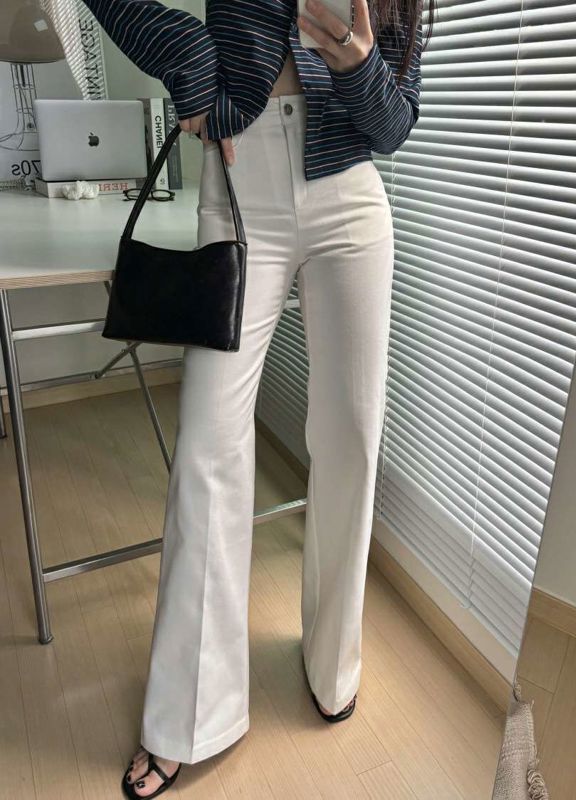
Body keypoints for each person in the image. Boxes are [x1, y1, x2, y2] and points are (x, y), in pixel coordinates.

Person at [81, 1, 426, 797]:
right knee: (207, 449)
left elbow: (394, 126)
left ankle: (334, 664)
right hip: (241, 179)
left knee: (352, 439)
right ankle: (187, 717)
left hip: (351, 197)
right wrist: (188, 56)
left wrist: (355, 62)